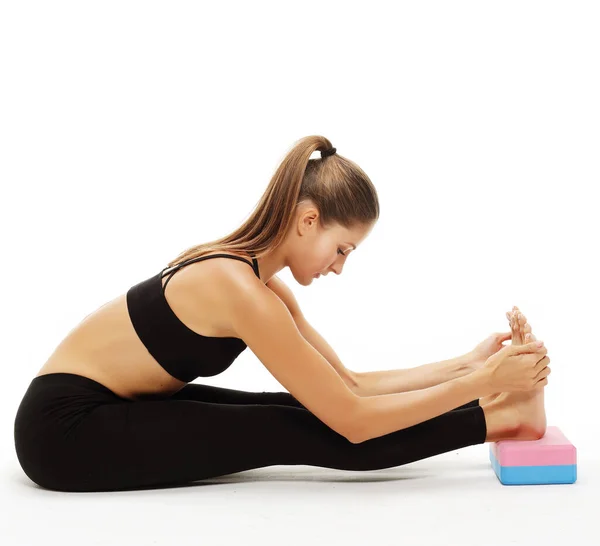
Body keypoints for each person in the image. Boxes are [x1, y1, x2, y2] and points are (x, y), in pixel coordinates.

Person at [13, 135, 551, 492]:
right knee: (288, 429)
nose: (340, 268)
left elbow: (349, 384)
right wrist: (484, 383)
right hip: (64, 430)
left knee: (288, 409)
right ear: (308, 220)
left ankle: (500, 407)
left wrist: (467, 367)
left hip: (103, 407)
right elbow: (353, 422)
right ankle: (504, 418)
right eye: (342, 249)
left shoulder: (259, 283)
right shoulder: (237, 289)